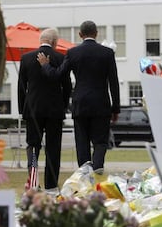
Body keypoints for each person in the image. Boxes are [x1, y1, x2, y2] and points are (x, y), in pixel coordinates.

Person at [37, 20, 120, 175]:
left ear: (80, 35)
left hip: (80, 102)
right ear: (96, 33)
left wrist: (45, 65)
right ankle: (98, 163)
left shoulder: (73, 53)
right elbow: (114, 83)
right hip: (101, 103)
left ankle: (84, 170)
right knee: (100, 140)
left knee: (82, 140)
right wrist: (115, 108)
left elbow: (57, 75)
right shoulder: (107, 53)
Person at [18, 28, 72, 192]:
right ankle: (51, 184)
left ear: (40, 41)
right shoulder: (61, 58)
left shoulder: (26, 58)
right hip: (54, 110)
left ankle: (33, 181)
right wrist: (63, 105)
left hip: (33, 109)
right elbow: (67, 86)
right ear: (55, 42)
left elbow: (22, 86)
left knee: (33, 146)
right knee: (53, 148)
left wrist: (23, 109)